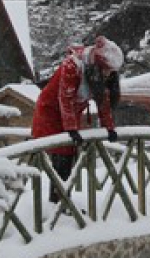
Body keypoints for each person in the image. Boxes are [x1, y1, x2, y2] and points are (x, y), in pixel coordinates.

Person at [31, 36, 123, 203]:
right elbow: (65, 98)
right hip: (50, 113)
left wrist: (109, 127)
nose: (109, 75)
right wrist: (71, 128)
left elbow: (103, 101)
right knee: (61, 158)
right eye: (107, 70)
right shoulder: (72, 65)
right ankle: (57, 204)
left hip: (71, 115)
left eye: (112, 72)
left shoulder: (99, 73)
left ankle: (62, 202)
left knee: (69, 158)